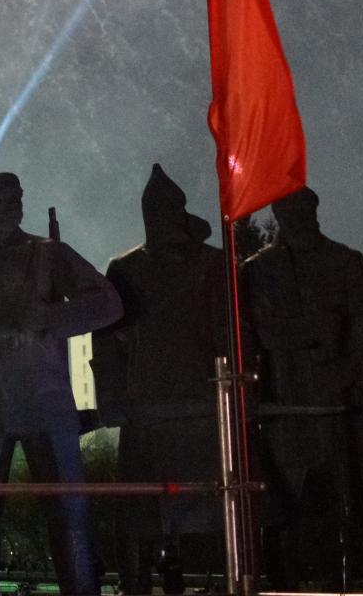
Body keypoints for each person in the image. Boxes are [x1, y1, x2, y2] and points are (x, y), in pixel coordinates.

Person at [0, 171, 123, 595]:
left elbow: (109, 303)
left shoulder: (47, 253)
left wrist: (53, 318)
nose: (16, 202)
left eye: (18, 195)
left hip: (46, 401)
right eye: (6, 196)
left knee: (69, 510)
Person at [243, 187, 363, 588]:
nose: (299, 217)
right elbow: (256, 334)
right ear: (279, 214)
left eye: (304, 209)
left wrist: (345, 375)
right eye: (290, 210)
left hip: (344, 408)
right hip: (284, 411)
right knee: (282, 513)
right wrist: (313, 329)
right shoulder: (258, 270)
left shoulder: (345, 261)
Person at [91, 164, 230, 593]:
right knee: (139, 514)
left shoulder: (212, 264)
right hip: (147, 410)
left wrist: (235, 393)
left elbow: (231, 331)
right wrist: (112, 401)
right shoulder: (125, 269)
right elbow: (107, 342)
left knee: (217, 506)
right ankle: (136, 584)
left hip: (203, 408)